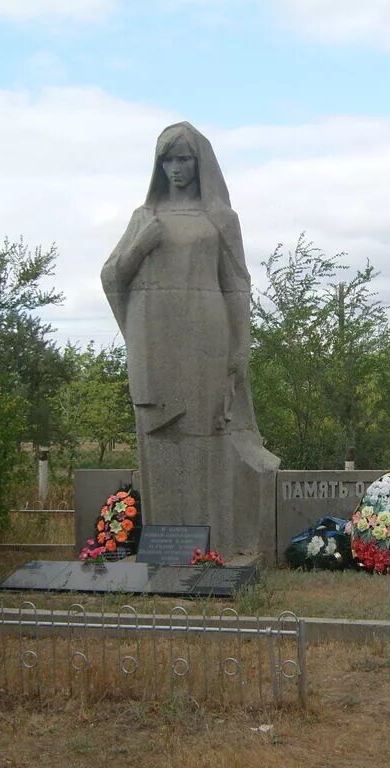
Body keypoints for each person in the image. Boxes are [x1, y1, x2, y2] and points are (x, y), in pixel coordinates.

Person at [101, 122, 278, 554]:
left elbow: (237, 285)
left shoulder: (220, 219)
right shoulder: (144, 218)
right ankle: (164, 548)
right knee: (158, 438)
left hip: (206, 339)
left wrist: (240, 347)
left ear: (201, 163)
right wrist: (140, 246)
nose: (175, 168)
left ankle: (215, 545)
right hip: (154, 341)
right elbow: (112, 277)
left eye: (184, 158)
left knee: (209, 439)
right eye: (168, 159)